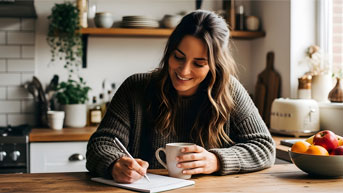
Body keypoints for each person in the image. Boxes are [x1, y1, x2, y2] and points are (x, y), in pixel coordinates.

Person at [86, 10, 275, 183]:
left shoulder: (230, 90)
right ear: (169, 52)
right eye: (178, 57)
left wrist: (216, 160)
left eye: (199, 64)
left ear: (215, 66)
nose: (184, 71)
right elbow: (100, 145)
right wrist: (114, 164)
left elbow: (264, 147)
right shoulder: (136, 88)